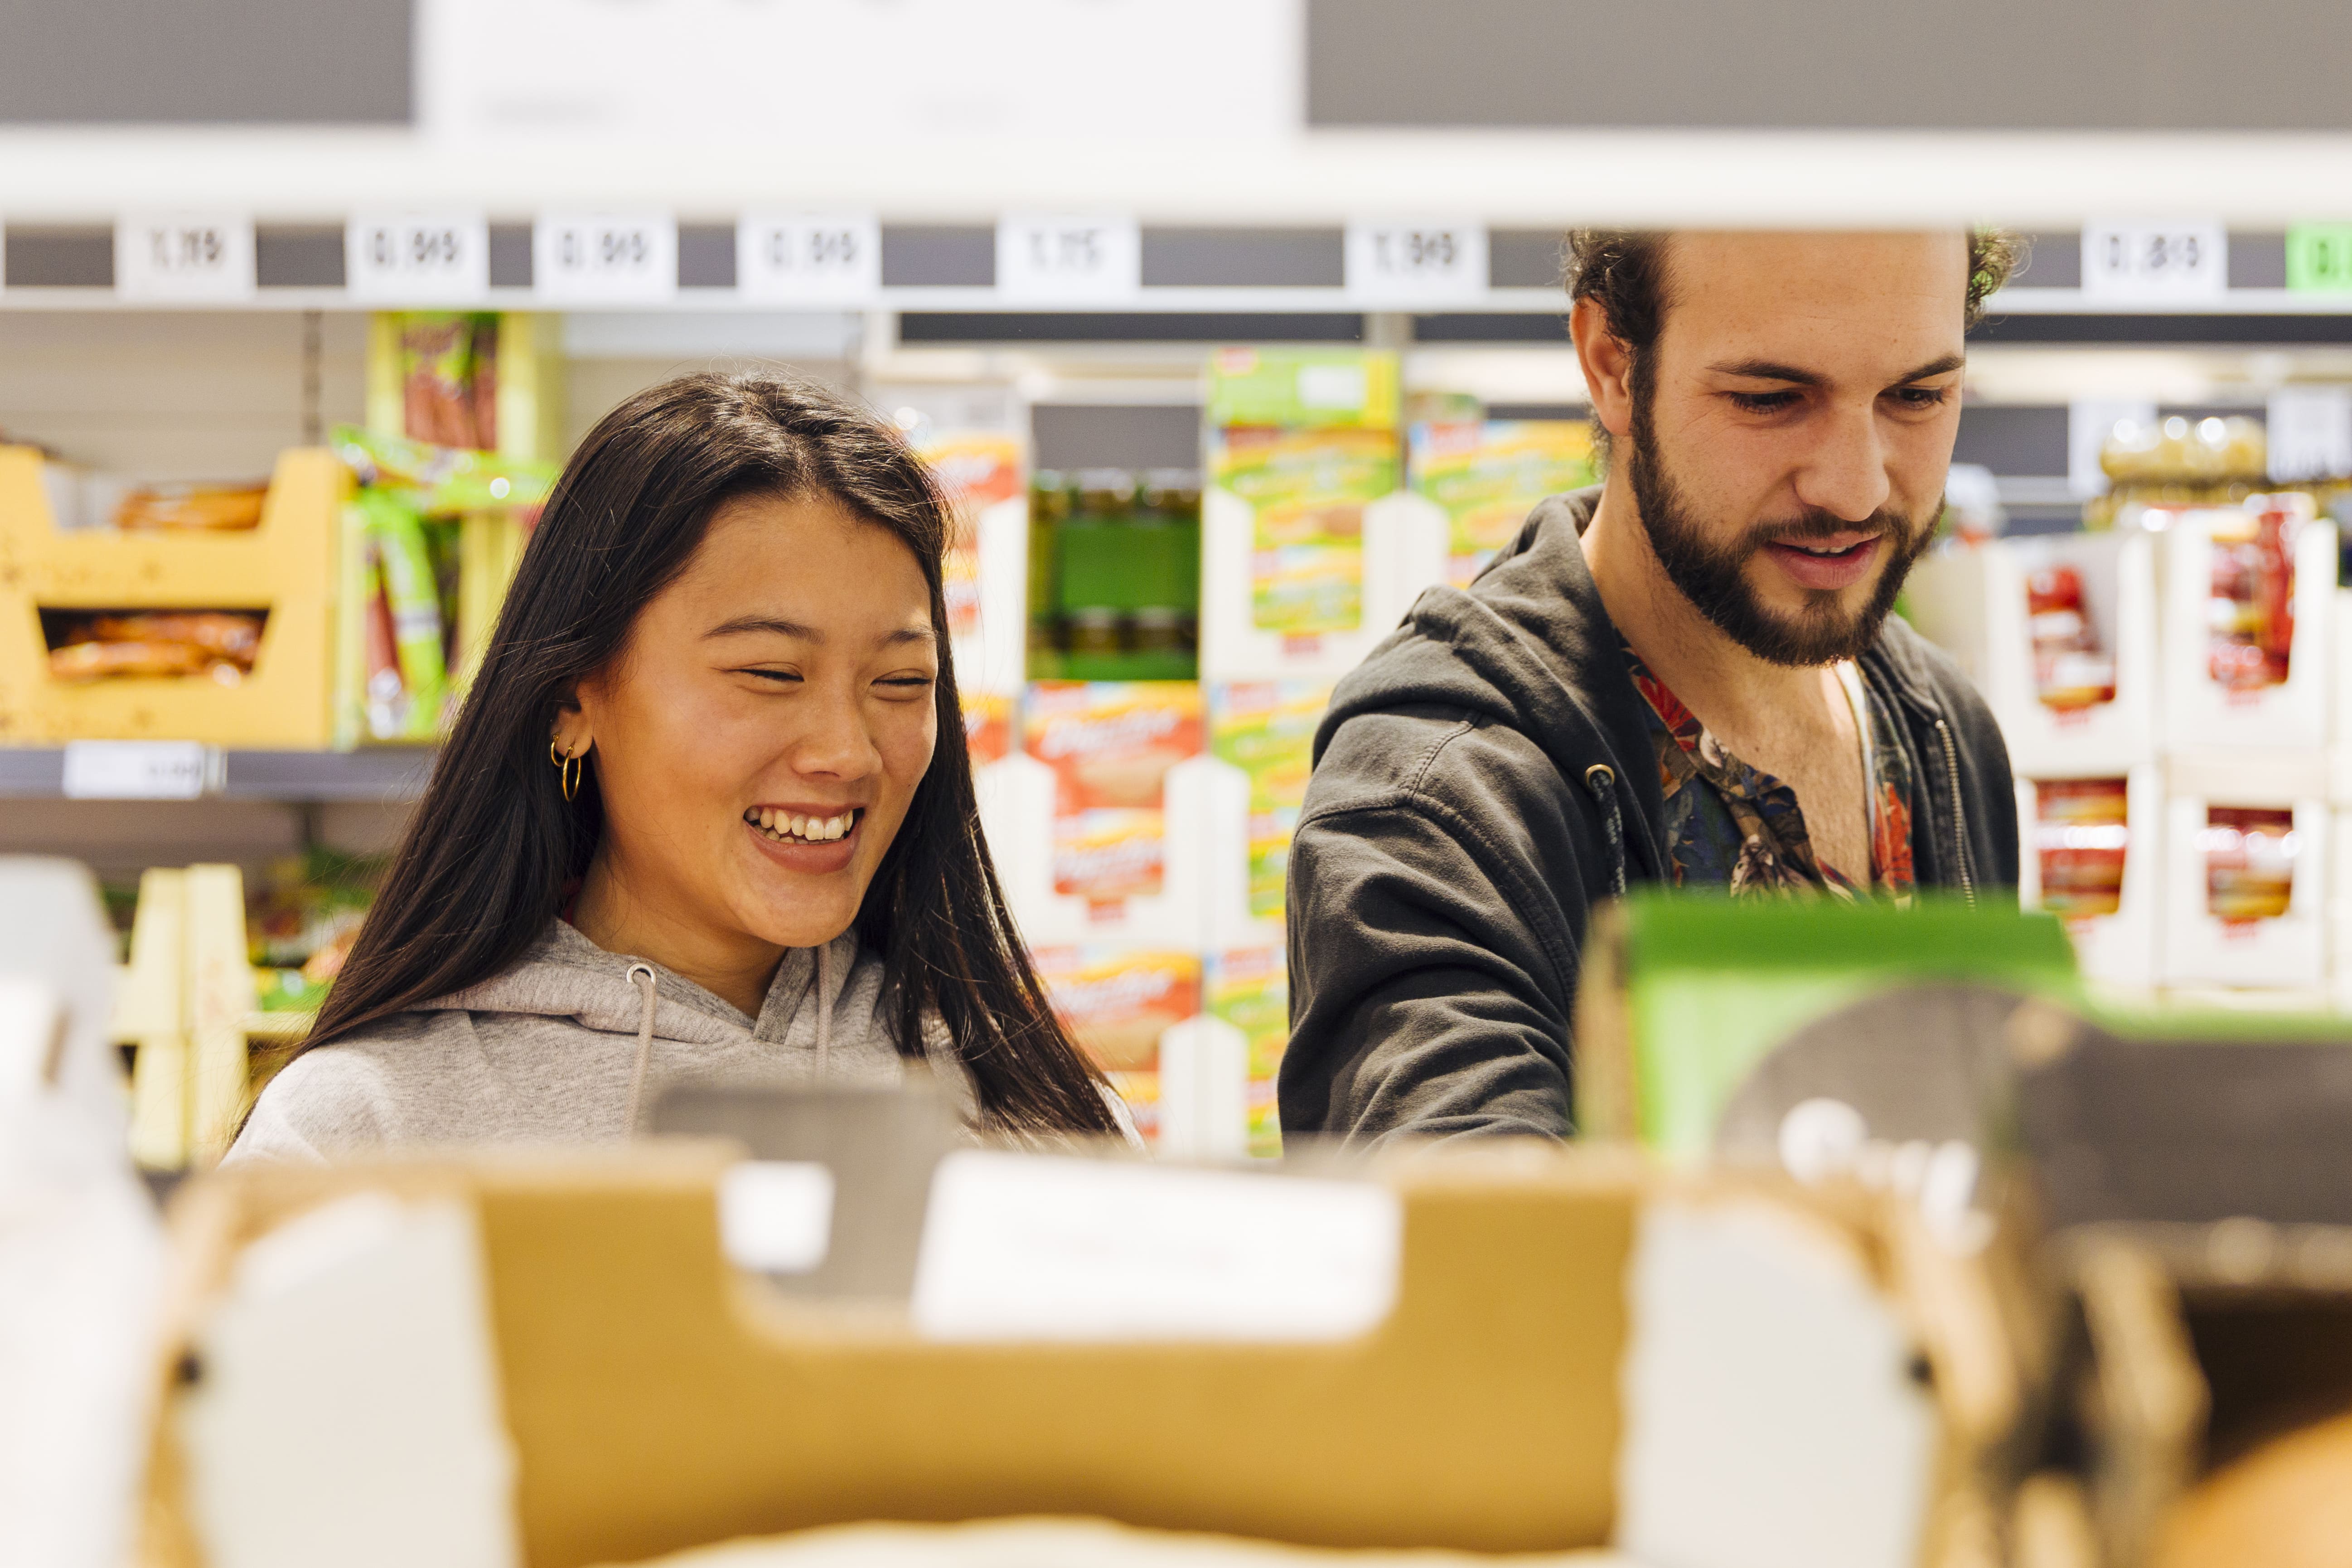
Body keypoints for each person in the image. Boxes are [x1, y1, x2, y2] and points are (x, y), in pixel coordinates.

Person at [232, 373, 1125, 1161]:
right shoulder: (364, 1128)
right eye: (771, 673)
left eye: (901, 681)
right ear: (573, 698)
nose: (847, 751)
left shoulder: (1024, 1110)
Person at [1281, 230, 2021, 1146]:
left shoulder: (1941, 733)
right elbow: (1470, 1235)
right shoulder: (1442, 790)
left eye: (1917, 395)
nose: (1854, 485)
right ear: (1612, 366)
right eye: (1771, 398)